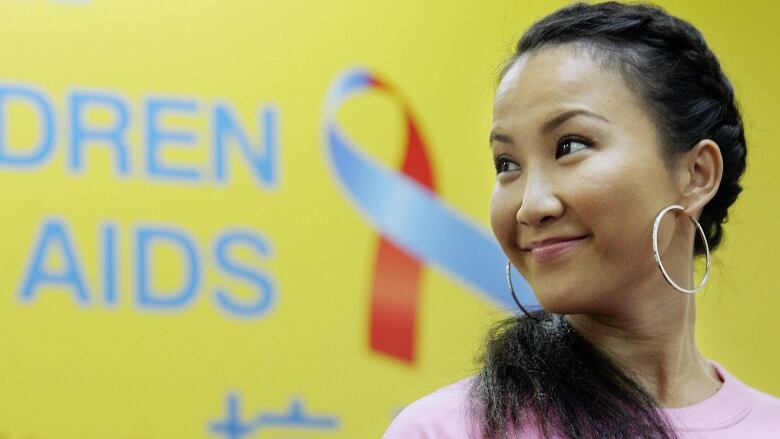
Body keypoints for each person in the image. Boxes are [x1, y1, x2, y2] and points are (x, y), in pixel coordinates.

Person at [382, 2, 780, 438]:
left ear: (696, 175)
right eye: (507, 163)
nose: (531, 205)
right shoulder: (445, 430)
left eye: (570, 146)